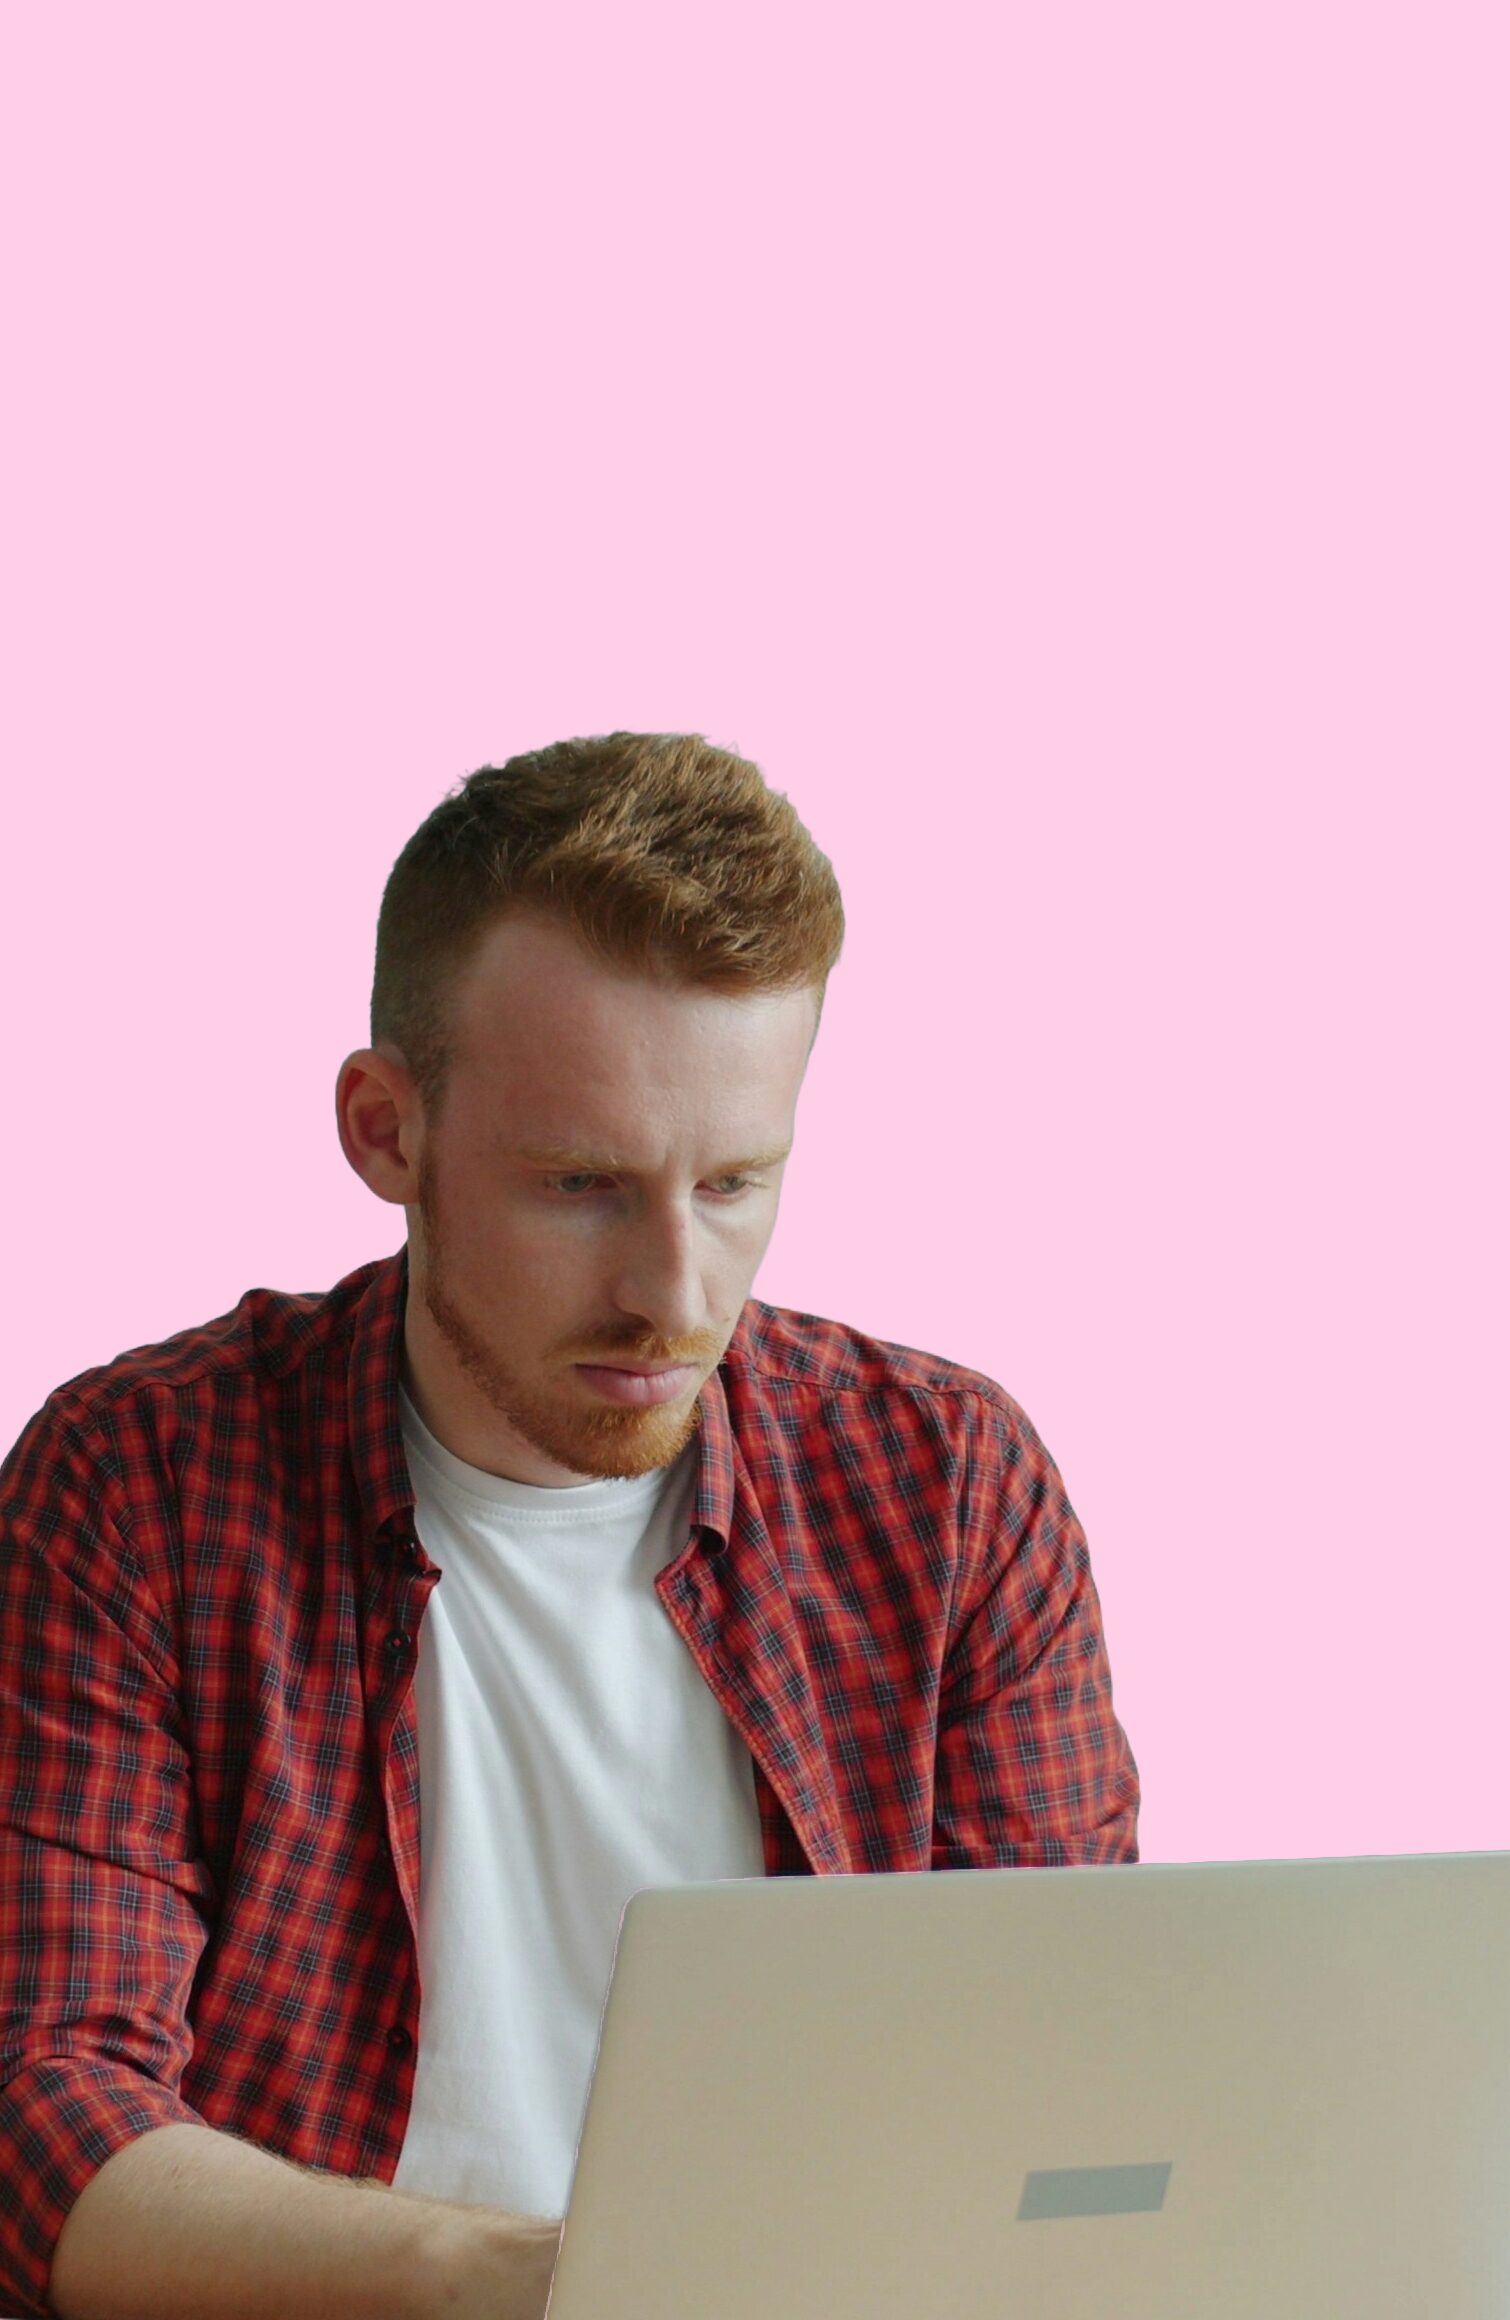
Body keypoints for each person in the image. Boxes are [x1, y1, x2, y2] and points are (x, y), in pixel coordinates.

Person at [0, 731, 1139, 2320]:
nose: (675, 1298)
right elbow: (45, 2112)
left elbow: (1063, 2068)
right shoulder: (138, 1484)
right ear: (385, 1131)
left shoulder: (947, 1488)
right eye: (583, 1185)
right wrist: (547, 2286)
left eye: (734, 1182)